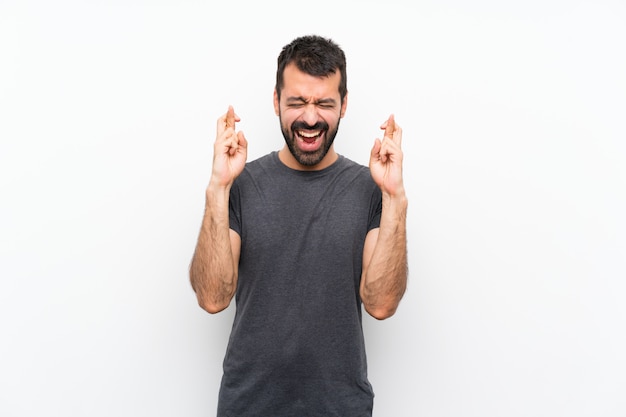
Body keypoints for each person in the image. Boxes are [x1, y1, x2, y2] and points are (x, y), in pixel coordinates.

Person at [189, 34, 408, 417]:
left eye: (324, 102)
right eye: (297, 102)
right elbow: (212, 297)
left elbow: (381, 304)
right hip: (248, 406)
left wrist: (395, 197)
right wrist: (218, 187)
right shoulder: (240, 186)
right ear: (276, 103)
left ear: (343, 106)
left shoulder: (371, 190)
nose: (310, 118)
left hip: (341, 407)